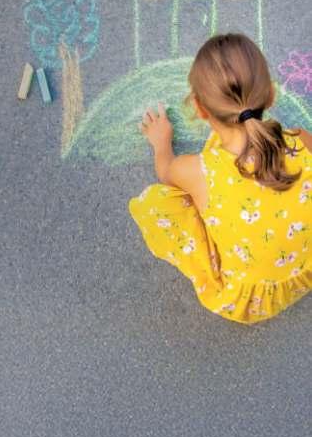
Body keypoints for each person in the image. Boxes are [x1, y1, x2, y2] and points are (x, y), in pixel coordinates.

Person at [128, 33, 312, 324]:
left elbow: (166, 173)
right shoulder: (300, 140)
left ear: (200, 109)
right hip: (301, 272)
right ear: (271, 95)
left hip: (248, 300)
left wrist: (161, 142)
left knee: (156, 202)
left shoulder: (199, 171)